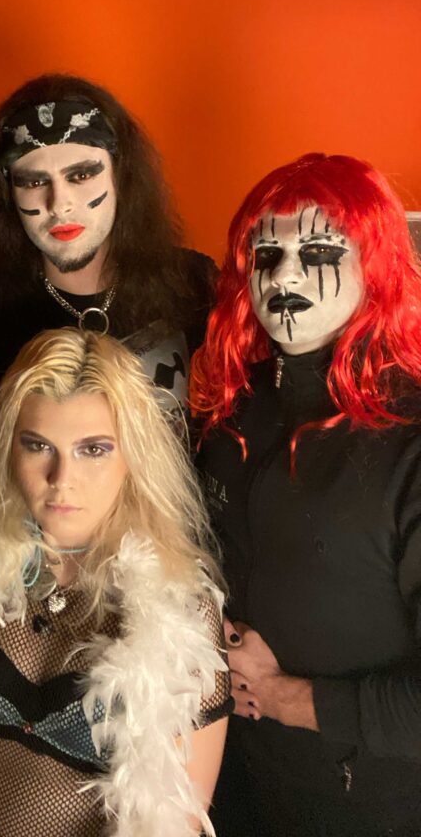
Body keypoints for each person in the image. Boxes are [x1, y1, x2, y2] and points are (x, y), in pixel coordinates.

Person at [0, 328, 230, 837]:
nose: (62, 478)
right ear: (10, 448)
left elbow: (168, 818)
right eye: (39, 445)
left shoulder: (180, 612)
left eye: (93, 449)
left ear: (133, 456)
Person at [190, 153, 421, 836]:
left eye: (318, 252)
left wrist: (287, 697)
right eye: (267, 254)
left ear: (376, 266)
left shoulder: (411, 440)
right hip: (229, 788)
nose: (284, 275)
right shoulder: (232, 414)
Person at [0, 73, 216, 409]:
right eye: (34, 182)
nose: (59, 204)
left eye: (81, 175)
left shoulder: (193, 286)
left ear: (120, 176)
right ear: (8, 194)